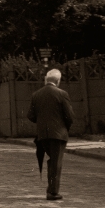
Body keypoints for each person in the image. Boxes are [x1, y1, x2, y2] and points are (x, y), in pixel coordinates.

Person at [27, 68, 75, 201]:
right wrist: (65, 127)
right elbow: (70, 116)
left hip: (43, 134)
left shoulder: (36, 94)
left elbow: (30, 115)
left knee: (52, 161)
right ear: (58, 81)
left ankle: (51, 188)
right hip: (58, 133)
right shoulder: (62, 94)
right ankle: (53, 192)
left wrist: (42, 121)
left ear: (46, 80)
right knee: (56, 162)